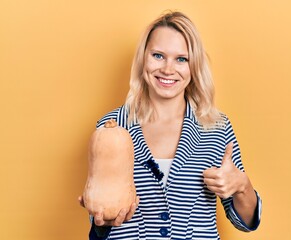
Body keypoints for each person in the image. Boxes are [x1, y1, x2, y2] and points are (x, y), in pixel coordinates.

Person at [80, 11, 262, 240]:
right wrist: (102, 222)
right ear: (143, 58)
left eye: (181, 59)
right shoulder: (111, 127)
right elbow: (100, 222)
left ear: (193, 66)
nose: (168, 69)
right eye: (158, 55)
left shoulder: (216, 128)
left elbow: (245, 223)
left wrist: (242, 186)